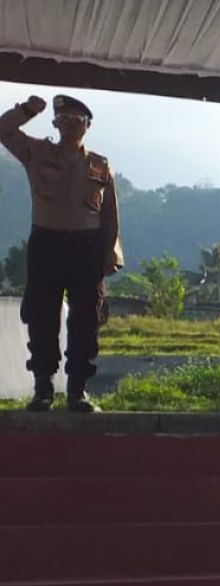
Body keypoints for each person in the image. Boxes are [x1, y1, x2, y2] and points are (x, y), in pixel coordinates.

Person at [0, 93, 123, 412]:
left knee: (86, 320)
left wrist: (110, 253)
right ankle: (43, 388)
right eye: (64, 119)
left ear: (87, 126)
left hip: (87, 247)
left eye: (77, 120)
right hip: (47, 243)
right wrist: (27, 110)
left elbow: (110, 214)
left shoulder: (100, 165)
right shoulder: (37, 152)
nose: (71, 125)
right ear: (55, 123)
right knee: (42, 317)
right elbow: (4, 130)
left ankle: (78, 390)